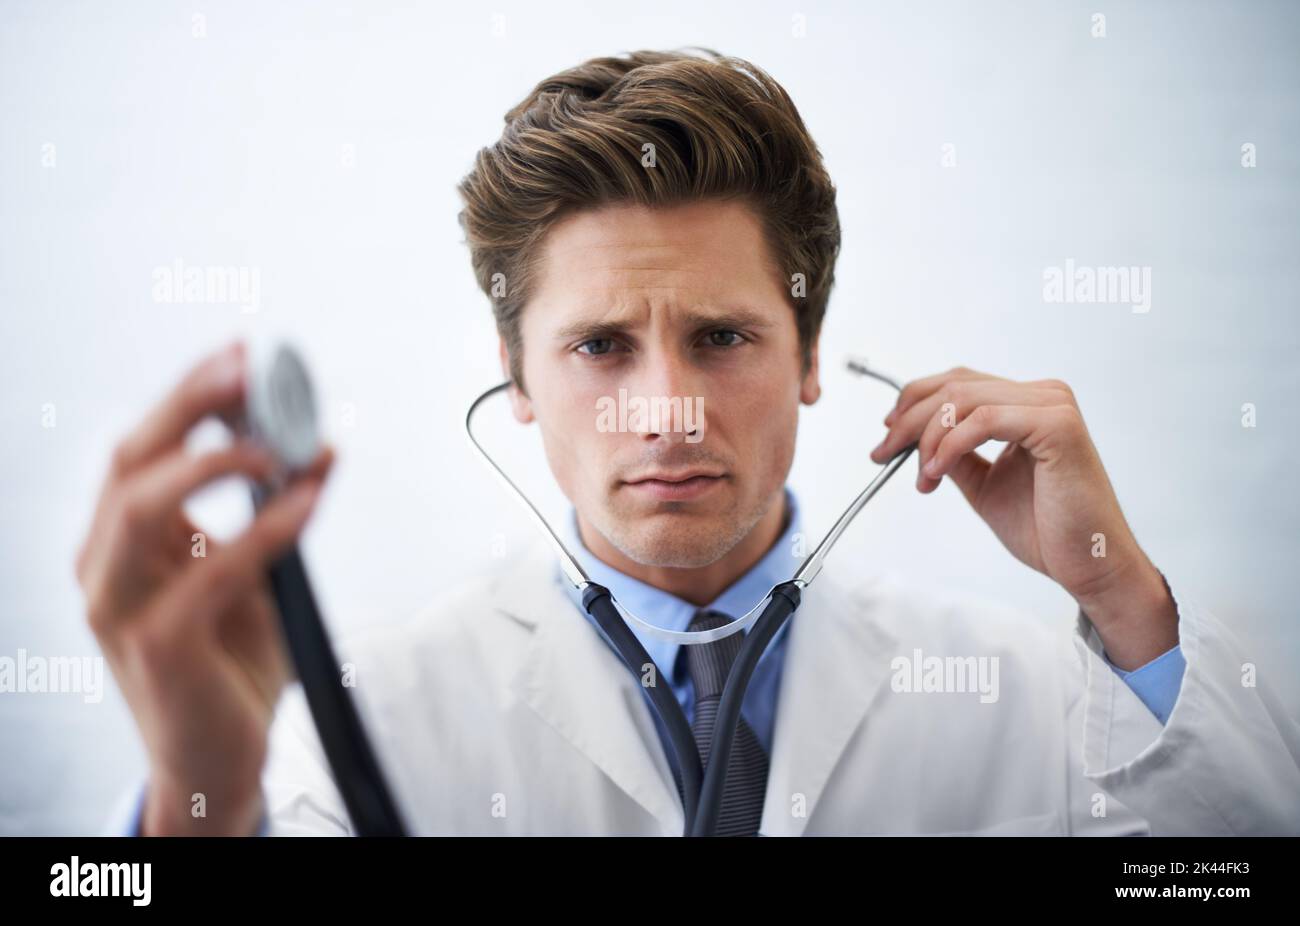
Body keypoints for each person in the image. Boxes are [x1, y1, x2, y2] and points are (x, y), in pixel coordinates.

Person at [84, 48, 1299, 836]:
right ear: (513, 378)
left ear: (812, 357)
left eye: (721, 335)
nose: (666, 408)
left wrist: (1123, 599)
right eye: (600, 345)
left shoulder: (1031, 702)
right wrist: (201, 791)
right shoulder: (369, 713)